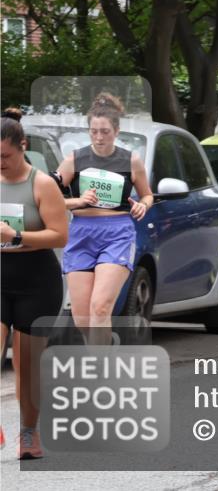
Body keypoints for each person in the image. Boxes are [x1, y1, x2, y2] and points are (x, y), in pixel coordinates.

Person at [56, 93, 153, 345]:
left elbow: (147, 195)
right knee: (81, 318)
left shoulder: (131, 160)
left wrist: (143, 205)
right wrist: (77, 202)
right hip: (81, 233)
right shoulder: (74, 160)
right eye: (94, 131)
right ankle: (105, 344)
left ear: (116, 131)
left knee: (100, 308)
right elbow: (49, 199)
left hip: (117, 233)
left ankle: (98, 370)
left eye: (105, 132)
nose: (99, 137)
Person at [1, 109, 69, 459]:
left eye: (5, 156)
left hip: (36, 284)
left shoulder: (41, 183)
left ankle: (28, 433)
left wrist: (17, 236)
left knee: (27, 371)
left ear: (22, 146)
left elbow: (60, 236)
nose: (0, 163)